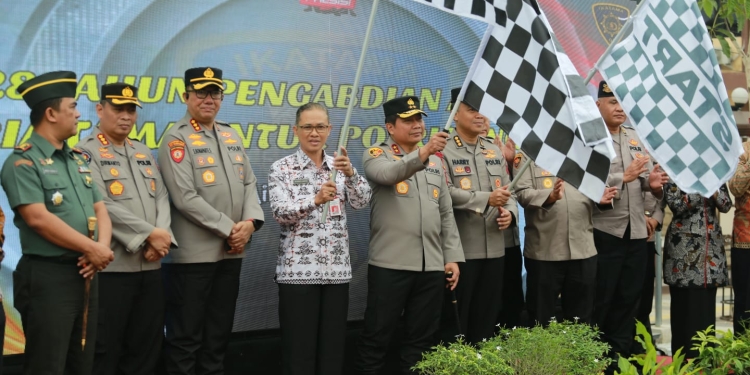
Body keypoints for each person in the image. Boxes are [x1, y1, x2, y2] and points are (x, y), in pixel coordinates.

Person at [0, 70, 114, 375]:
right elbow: (37, 218)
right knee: (47, 365)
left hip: (86, 272)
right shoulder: (22, 162)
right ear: (50, 114)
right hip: (48, 278)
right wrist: (93, 248)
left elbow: (101, 210)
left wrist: (98, 251)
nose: (79, 115)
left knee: (82, 363)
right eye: (72, 108)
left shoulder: (78, 159)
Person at [158, 67, 265, 374]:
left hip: (231, 252)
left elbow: (249, 183)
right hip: (193, 259)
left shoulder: (230, 134)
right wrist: (231, 229)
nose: (209, 99)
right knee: (185, 338)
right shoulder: (176, 140)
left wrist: (250, 223)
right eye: (201, 92)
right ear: (185, 96)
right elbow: (185, 197)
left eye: (215, 93)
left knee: (217, 337)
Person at [354, 96, 464, 375]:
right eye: (408, 120)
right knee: (377, 338)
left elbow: (446, 214)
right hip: (391, 266)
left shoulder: (436, 163)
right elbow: (390, 175)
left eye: (419, 119)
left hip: (430, 267)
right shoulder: (376, 155)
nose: (417, 125)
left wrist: (451, 257)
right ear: (390, 127)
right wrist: (425, 151)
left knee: (422, 341)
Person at [76, 82, 175, 375]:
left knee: (145, 347)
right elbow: (100, 203)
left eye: (131, 109)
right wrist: (149, 235)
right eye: (118, 108)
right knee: (106, 349)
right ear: (99, 109)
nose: (126, 116)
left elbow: (162, 196)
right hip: (113, 269)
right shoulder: (84, 152)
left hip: (151, 266)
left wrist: (162, 236)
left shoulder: (143, 150)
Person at [268, 102, 371, 375]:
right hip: (298, 274)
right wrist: (314, 200)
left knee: (332, 351)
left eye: (320, 127)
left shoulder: (338, 165)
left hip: (337, 273)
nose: (314, 133)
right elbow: (280, 212)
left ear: (329, 129)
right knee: (299, 352)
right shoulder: (282, 168)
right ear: (296, 130)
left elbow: (362, 201)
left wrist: (350, 174)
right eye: (308, 127)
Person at [593, 81, 669, 371]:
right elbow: (584, 183)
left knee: (630, 302)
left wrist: (654, 187)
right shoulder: (590, 138)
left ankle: (622, 361)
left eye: (622, 102)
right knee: (603, 301)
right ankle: (599, 362)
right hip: (605, 232)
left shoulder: (636, 137)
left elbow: (651, 189)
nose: (620, 108)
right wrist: (620, 178)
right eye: (612, 102)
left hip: (637, 234)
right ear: (598, 104)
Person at [439, 88, 515, 342]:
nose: (480, 116)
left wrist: (511, 214)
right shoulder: (443, 150)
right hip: (461, 252)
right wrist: (486, 200)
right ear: (455, 114)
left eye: (483, 110)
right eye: (472, 110)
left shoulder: (492, 150)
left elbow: (509, 192)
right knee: (457, 321)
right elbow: (445, 193)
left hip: (495, 249)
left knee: (487, 320)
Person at [513, 151, 617, 325]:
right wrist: (550, 196)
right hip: (545, 250)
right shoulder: (529, 154)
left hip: (583, 249)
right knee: (541, 317)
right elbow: (522, 193)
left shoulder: (585, 155)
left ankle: (579, 353)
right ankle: (541, 353)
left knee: (581, 318)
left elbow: (599, 189)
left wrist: (602, 198)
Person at [662, 182, 731, 357]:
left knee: (706, 311)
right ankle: (683, 361)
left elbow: (726, 205)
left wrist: (713, 186)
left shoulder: (715, 174)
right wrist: (700, 186)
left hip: (710, 253)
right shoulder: (675, 170)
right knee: (684, 311)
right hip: (684, 253)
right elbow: (676, 205)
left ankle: (705, 361)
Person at [632, 187, 665, 354]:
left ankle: (643, 346)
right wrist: (639, 217)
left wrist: (655, 220)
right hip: (623, 236)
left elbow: (661, 200)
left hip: (647, 239)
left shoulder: (654, 162)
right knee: (626, 298)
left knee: (645, 299)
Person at [730, 140, 750, 336]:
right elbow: (735, 187)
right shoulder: (741, 150)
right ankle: (743, 358)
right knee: (745, 303)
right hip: (745, 241)